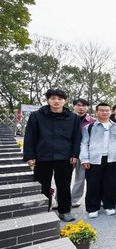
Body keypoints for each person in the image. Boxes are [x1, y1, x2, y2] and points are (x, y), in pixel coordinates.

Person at [23, 89, 81, 222]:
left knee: (64, 185)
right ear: (48, 100)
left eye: (60, 99)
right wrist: (29, 156)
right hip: (43, 156)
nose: (56, 101)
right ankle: (43, 210)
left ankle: (65, 211)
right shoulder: (37, 115)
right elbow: (30, 136)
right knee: (42, 184)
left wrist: (75, 154)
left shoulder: (73, 117)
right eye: (53, 98)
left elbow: (77, 137)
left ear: (65, 101)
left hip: (65, 157)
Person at [80, 103, 116, 218]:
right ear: (96, 112)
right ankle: (92, 208)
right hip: (94, 159)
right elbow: (84, 144)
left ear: (110, 112)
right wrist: (84, 159)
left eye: (107, 110)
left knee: (111, 183)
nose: (105, 113)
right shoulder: (89, 127)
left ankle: (109, 206)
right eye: (102, 110)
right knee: (93, 183)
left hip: (112, 159)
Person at [70, 98, 95, 207]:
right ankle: (61, 199)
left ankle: (74, 199)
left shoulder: (93, 122)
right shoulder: (67, 118)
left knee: (80, 178)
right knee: (64, 178)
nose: (81, 108)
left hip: (84, 153)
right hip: (69, 152)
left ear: (88, 107)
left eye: (84, 105)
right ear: (74, 106)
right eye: (78, 105)